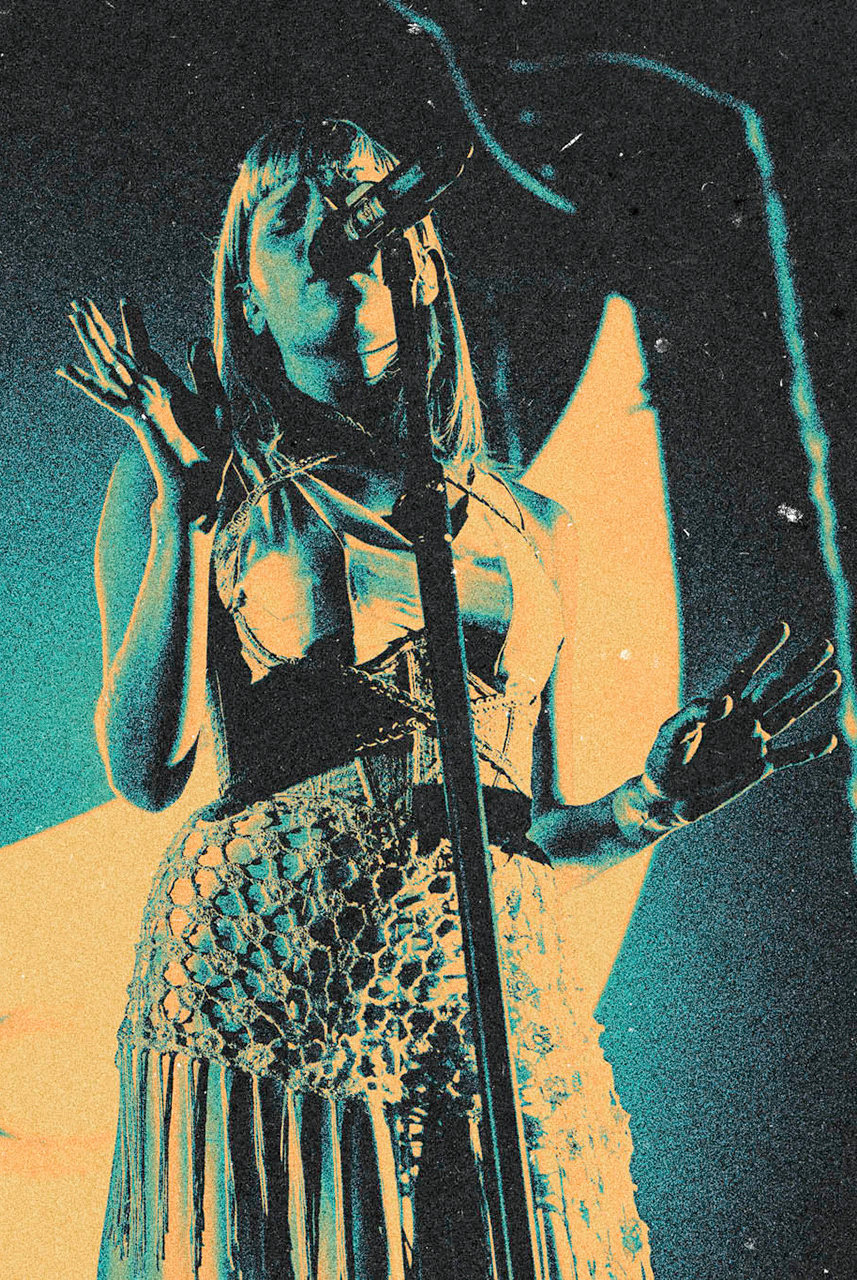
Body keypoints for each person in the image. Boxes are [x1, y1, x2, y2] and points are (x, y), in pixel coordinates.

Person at [59, 118, 840, 1280]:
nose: (332, 229)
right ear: (248, 298)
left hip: (481, 1002)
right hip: (276, 1000)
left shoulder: (532, 524)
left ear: (417, 256)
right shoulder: (197, 483)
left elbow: (528, 826)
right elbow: (144, 767)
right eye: (287, 216)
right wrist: (187, 511)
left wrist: (653, 801)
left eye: (358, 199)